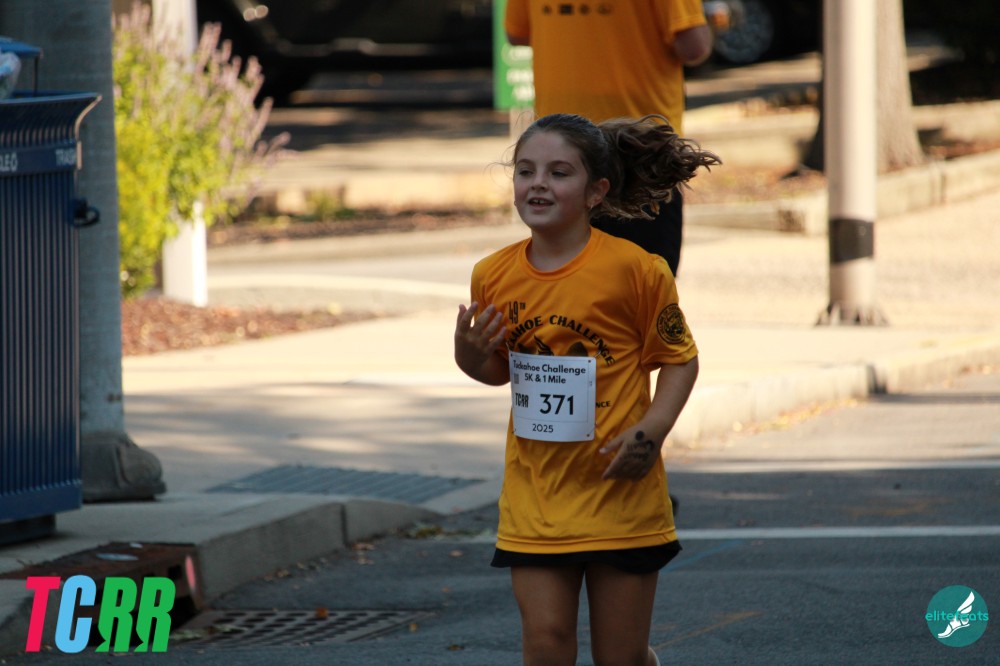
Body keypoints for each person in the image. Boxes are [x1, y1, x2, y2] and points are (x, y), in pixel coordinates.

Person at [454, 113, 718, 666]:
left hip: (619, 495)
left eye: (559, 173)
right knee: (546, 644)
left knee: (620, 657)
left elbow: (680, 361)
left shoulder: (636, 270)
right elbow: (500, 371)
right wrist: (468, 353)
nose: (538, 184)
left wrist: (651, 431)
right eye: (525, 171)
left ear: (596, 191)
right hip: (536, 498)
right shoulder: (492, 275)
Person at [504, 0, 714, 277]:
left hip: (561, 143)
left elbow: (516, 32)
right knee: (645, 281)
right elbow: (693, 46)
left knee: (566, 281)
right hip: (637, 144)